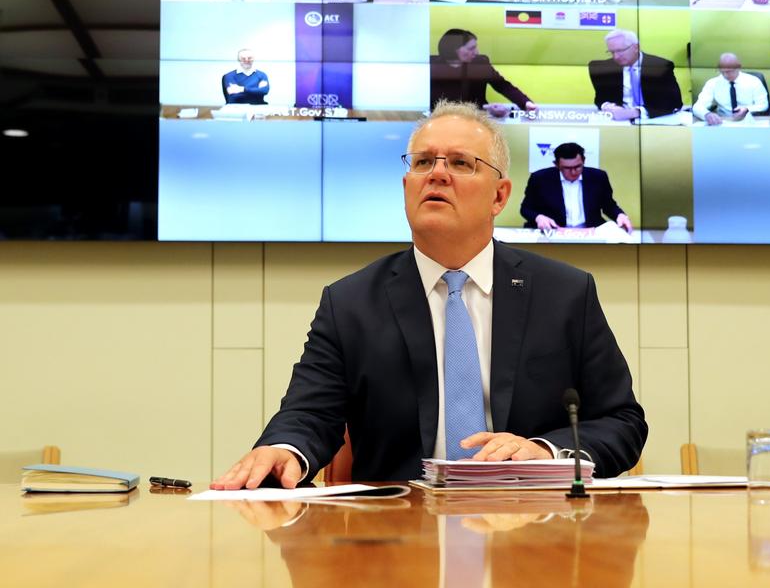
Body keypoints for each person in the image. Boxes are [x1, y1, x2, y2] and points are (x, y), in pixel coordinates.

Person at [211, 101, 647, 488]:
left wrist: (544, 452)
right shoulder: (350, 303)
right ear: (407, 187)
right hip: (396, 540)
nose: (437, 173)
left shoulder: (565, 293)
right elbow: (309, 413)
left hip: (533, 530)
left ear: (499, 196)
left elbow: (621, 422)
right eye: (423, 163)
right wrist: (284, 450)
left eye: (460, 163)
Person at [520, 142, 633, 233]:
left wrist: (620, 215)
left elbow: (609, 206)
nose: (573, 172)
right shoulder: (540, 179)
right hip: (554, 231)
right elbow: (525, 209)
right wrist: (538, 217)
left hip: (590, 231)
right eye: (567, 168)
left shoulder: (598, 177)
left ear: (583, 161)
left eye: (578, 167)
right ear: (556, 165)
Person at [429, 29, 538, 118]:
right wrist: (485, 109)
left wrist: (525, 103)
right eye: (471, 48)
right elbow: (438, 104)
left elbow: (503, 86)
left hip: (478, 121)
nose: (477, 52)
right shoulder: (431, 67)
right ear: (453, 50)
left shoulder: (480, 63)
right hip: (442, 121)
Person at [589, 29, 683, 121]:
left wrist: (635, 112)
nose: (616, 57)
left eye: (620, 51)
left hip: (652, 119)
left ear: (636, 47)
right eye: (612, 52)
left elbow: (674, 102)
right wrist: (607, 107)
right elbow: (600, 99)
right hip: (617, 121)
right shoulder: (603, 68)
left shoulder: (661, 66)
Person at [691, 53, 770, 126]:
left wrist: (747, 109)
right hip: (723, 121)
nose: (725, 75)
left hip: (749, 120)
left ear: (738, 67)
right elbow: (697, 106)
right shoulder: (713, 83)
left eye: (729, 71)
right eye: (722, 72)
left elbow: (763, 105)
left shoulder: (754, 81)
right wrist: (706, 114)